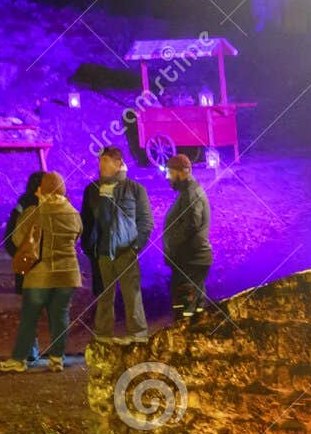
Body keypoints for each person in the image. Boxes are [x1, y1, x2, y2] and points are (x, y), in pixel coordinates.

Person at [0, 171, 81, 372]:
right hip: (68, 274)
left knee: (29, 318)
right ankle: (57, 358)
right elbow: (77, 236)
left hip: (40, 275)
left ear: (43, 190)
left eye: (40, 187)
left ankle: (19, 360)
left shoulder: (34, 211)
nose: (36, 189)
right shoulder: (73, 213)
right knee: (60, 315)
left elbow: (18, 240)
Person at [79, 146, 153, 344]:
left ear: (118, 163)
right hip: (102, 252)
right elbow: (85, 221)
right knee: (104, 295)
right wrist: (90, 248)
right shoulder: (92, 190)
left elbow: (146, 221)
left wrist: (136, 246)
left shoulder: (135, 189)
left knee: (132, 294)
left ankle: (137, 335)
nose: (100, 165)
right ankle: (103, 336)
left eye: (105, 161)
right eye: (100, 161)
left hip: (126, 251)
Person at [162, 154, 212, 321]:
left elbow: (192, 224)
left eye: (170, 173)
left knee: (185, 309)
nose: (168, 178)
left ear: (182, 172)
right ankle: (193, 339)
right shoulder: (187, 192)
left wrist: (173, 243)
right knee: (194, 307)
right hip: (189, 260)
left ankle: (184, 341)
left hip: (191, 261)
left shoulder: (191, 194)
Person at [3, 170, 45, 364]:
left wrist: (19, 256)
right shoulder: (53, 205)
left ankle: (31, 349)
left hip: (27, 266)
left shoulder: (21, 206)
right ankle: (57, 353)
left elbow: (9, 236)